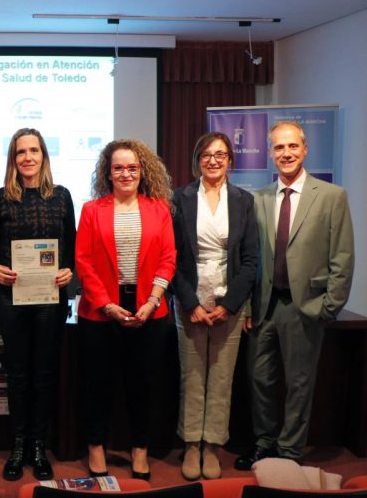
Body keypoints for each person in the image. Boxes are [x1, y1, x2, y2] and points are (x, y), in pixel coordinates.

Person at [235, 121, 354, 470]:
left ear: (305, 150)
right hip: (262, 306)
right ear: (270, 153)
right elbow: (249, 258)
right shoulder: (258, 199)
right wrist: (245, 307)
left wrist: (329, 306)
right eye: (278, 148)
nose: (285, 153)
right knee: (260, 380)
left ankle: (289, 451)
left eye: (292, 147)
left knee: (300, 383)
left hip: (306, 306)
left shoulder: (332, 196)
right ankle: (265, 443)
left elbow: (343, 257)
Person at [75, 139, 175, 481]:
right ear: (108, 172)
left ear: (141, 170)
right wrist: (107, 305)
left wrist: (153, 300)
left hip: (149, 311)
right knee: (98, 385)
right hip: (101, 313)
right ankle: (96, 446)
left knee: (143, 385)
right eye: (118, 167)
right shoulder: (91, 210)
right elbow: (83, 262)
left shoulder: (159, 209)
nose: (125, 173)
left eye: (132, 167)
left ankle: (140, 449)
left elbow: (168, 258)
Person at [0, 128, 76, 481]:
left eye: (34, 150)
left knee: (44, 374)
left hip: (50, 298)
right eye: (21, 151)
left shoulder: (62, 196)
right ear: (13, 158)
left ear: (43, 156)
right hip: (11, 297)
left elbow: (71, 244)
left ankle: (39, 446)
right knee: (18, 375)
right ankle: (18, 445)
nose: (27, 157)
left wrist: (69, 269)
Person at [171, 132, 258, 480]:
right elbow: (172, 257)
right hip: (191, 301)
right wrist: (189, 302)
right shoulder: (180, 198)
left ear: (230, 161)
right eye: (207, 154)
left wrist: (231, 304)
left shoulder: (243, 201)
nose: (213, 160)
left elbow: (251, 260)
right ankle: (192, 444)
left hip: (229, 303)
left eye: (221, 154)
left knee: (221, 379)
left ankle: (212, 446)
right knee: (192, 377)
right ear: (197, 159)